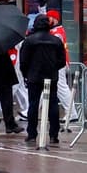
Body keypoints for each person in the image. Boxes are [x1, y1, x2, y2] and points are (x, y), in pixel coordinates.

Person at [19, 15, 66, 145]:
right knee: (53, 105)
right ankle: (53, 135)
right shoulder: (56, 41)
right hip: (51, 76)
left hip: (34, 76)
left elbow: (23, 61)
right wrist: (53, 67)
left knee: (33, 105)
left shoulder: (29, 41)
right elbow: (62, 60)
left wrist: (26, 74)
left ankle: (32, 134)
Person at [45, 10, 76, 126]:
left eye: (49, 18)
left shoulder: (57, 32)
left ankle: (72, 113)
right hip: (56, 63)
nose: (47, 20)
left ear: (54, 19)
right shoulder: (55, 31)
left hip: (57, 63)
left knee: (61, 88)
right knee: (53, 88)